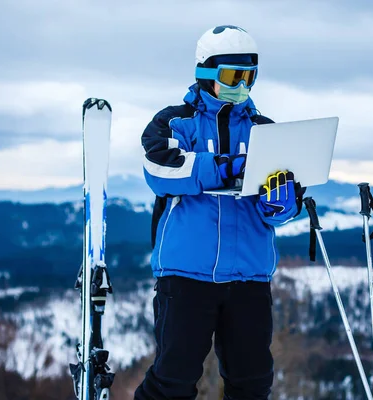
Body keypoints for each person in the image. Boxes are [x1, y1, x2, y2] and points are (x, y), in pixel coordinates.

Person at [134, 25, 305, 400]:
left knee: (252, 382)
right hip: (186, 275)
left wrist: (281, 204)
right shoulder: (175, 122)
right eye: (232, 75)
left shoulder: (265, 131)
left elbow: (279, 210)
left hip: (249, 275)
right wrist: (223, 166)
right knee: (173, 380)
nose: (242, 84)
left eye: (249, 76)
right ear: (206, 73)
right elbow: (160, 170)